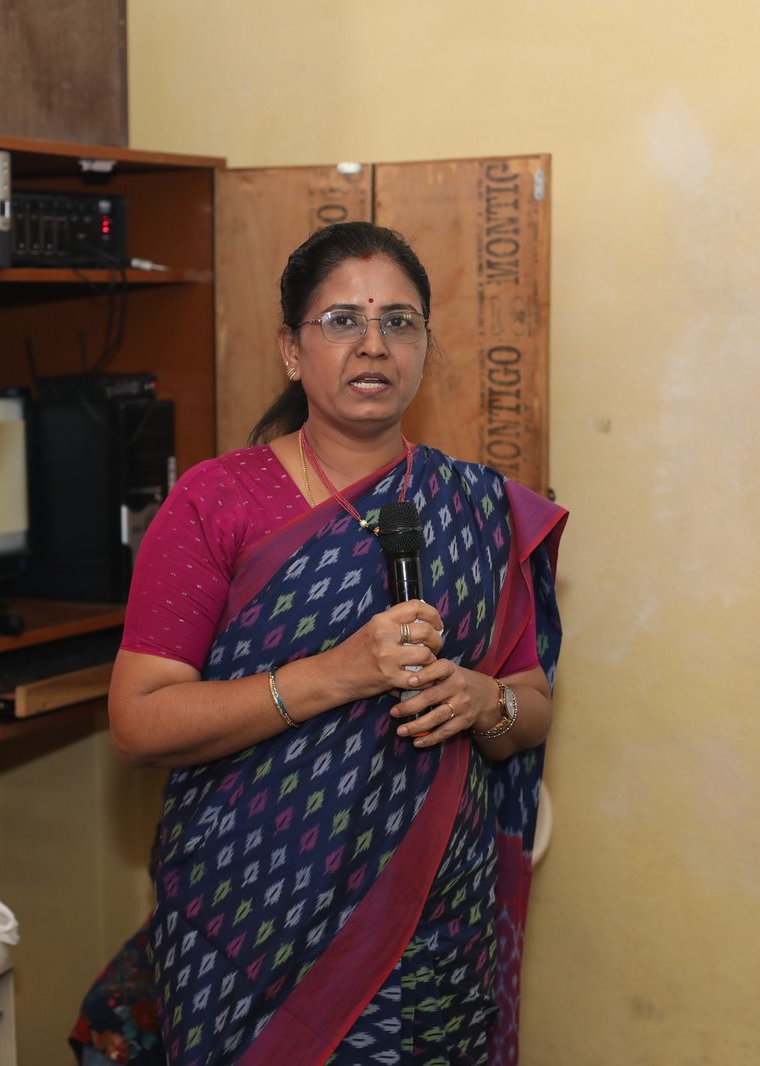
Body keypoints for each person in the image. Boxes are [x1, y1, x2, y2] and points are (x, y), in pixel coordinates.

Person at [68, 220, 566, 1066]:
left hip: (434, 925)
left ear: (424, 346)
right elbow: (139, 723)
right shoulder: (215, 503)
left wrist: (485, 701)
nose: (374, 345)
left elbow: (533, 705)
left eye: (398, 322)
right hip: (247, 919)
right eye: (342, 321)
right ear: (291, 351)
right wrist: (336, 675)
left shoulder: (477, 508)